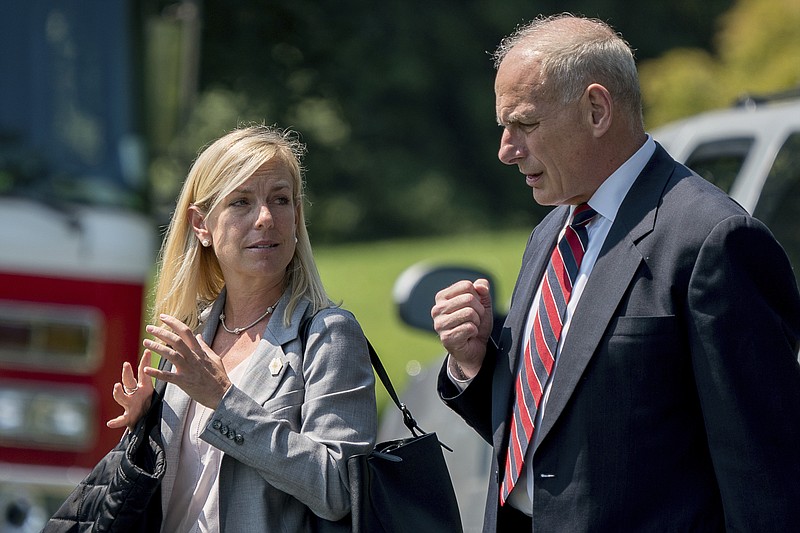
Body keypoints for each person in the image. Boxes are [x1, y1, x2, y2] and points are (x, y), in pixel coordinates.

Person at [432, 13, 800, 532]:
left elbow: (762, 476)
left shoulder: (713, 241)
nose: (507, 150)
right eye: (504, 128)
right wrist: (472, 364)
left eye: (526, 124)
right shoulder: (552, 231)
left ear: (597, 109)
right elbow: (549, 429)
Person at [106, 125, 377, 531]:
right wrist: (144, 426)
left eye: (280, 200)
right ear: (202, 226)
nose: (266, 218)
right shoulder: (189, 335)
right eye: (242, 202)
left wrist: (224, 400)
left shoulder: (329, 335)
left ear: (296, 215)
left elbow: (338, 488)